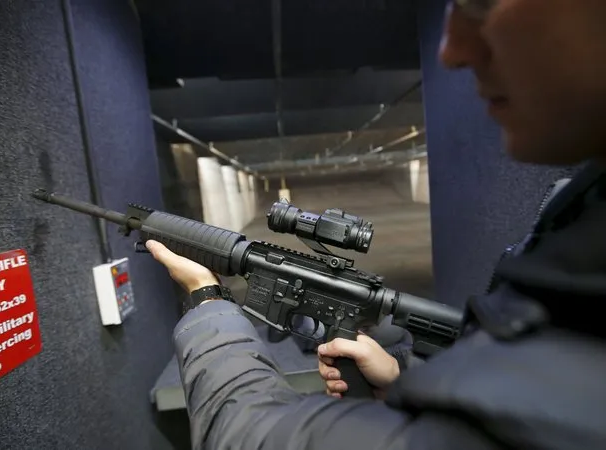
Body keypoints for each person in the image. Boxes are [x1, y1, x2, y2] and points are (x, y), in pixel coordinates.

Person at [147, 1, 606, 448]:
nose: (450, 50)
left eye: (481, 3)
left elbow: (245, 435)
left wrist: (207, 299)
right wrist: (404, 377)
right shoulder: (577, 222)